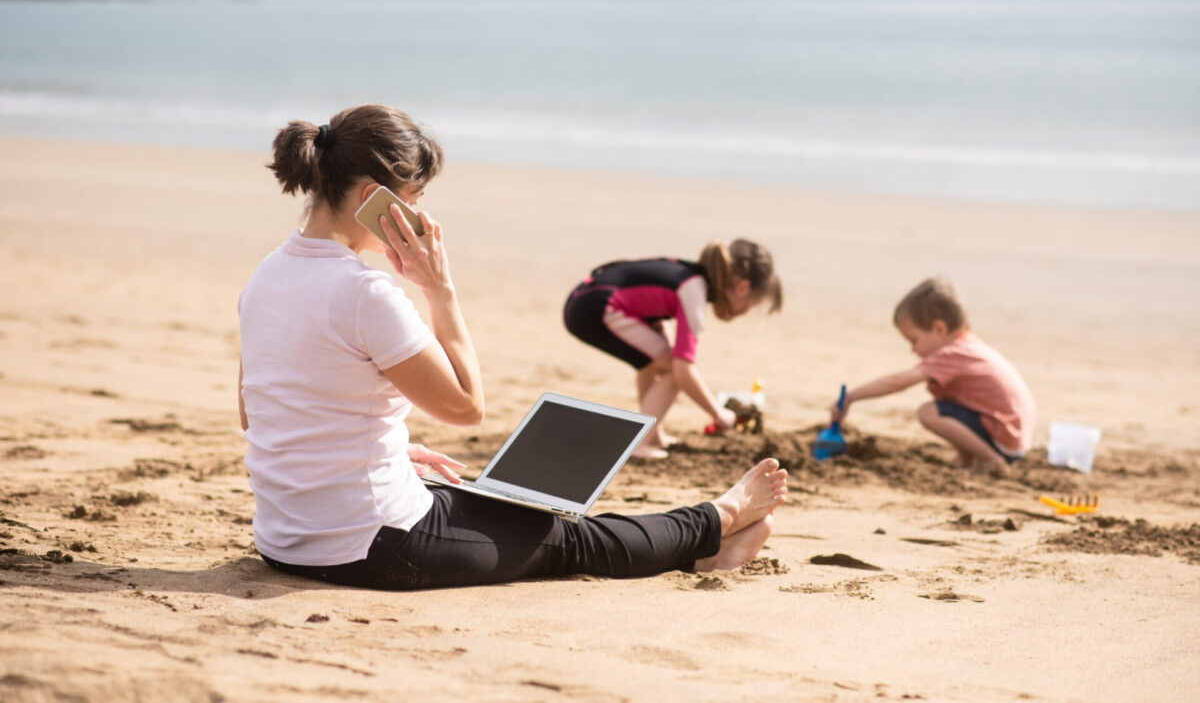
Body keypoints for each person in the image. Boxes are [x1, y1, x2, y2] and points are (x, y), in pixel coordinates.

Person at [237, 104, 788, 590]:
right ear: (371, 199)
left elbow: (259, 411)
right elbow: (465, 407)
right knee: (567, 538)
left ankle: (705, 557)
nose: (421, 218)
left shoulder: (265, 276)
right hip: (372, 546)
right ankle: (719, 517)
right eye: (414, 199)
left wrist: (385, 449)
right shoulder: (365, 292)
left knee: (502, 501)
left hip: (287, 539)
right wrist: (439, 290)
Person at [563, 242, 782, 458]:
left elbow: (650, 302)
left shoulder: (687, 274)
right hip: (598, 308)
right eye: (750, 305)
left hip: (583, 299)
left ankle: (653, 435)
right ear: (742, 288)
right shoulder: (694, 292)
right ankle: (639, 444)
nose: (745, 312)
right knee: (672, 371)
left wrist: (665, 343)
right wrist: (719, 413)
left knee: (654, 362)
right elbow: (683, 371)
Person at [831, 277, 1036, 471]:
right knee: (950, 403)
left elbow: (896, 382)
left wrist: (851, 397)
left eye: (914, 340)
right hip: (1013, 435)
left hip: (1004, 437)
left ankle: (992, 460)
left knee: (929, 412)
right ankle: (967, 459)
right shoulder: (968, 347)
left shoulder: (952, 354)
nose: (913, 350)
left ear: (939, 329)